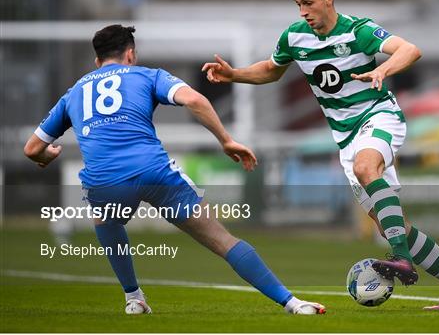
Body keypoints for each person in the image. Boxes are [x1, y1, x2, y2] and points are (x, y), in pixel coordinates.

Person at [202, 0, 439, 310]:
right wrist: (234, 75)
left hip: (380, 117)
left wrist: (383, 68)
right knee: (394, 227)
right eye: (298, 5)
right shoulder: (294, 38)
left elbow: (409, 50)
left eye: (308, 2)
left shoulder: (359, 30)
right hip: (346, 140)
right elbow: (271, 70)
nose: (303, 12)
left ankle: (401, 261)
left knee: (369, 169)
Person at [24, 24, 326, 315]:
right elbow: (195, 99)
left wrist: (47, 156)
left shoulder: (74, 92)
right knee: (221, 239)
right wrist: (226, 140)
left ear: (96, 60)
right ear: (130, 54)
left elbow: (32, 149)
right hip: (154, 172)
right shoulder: (147, 75)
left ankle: (133, 298)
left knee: (104, 218)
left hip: (105, 180)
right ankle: (292, 303)